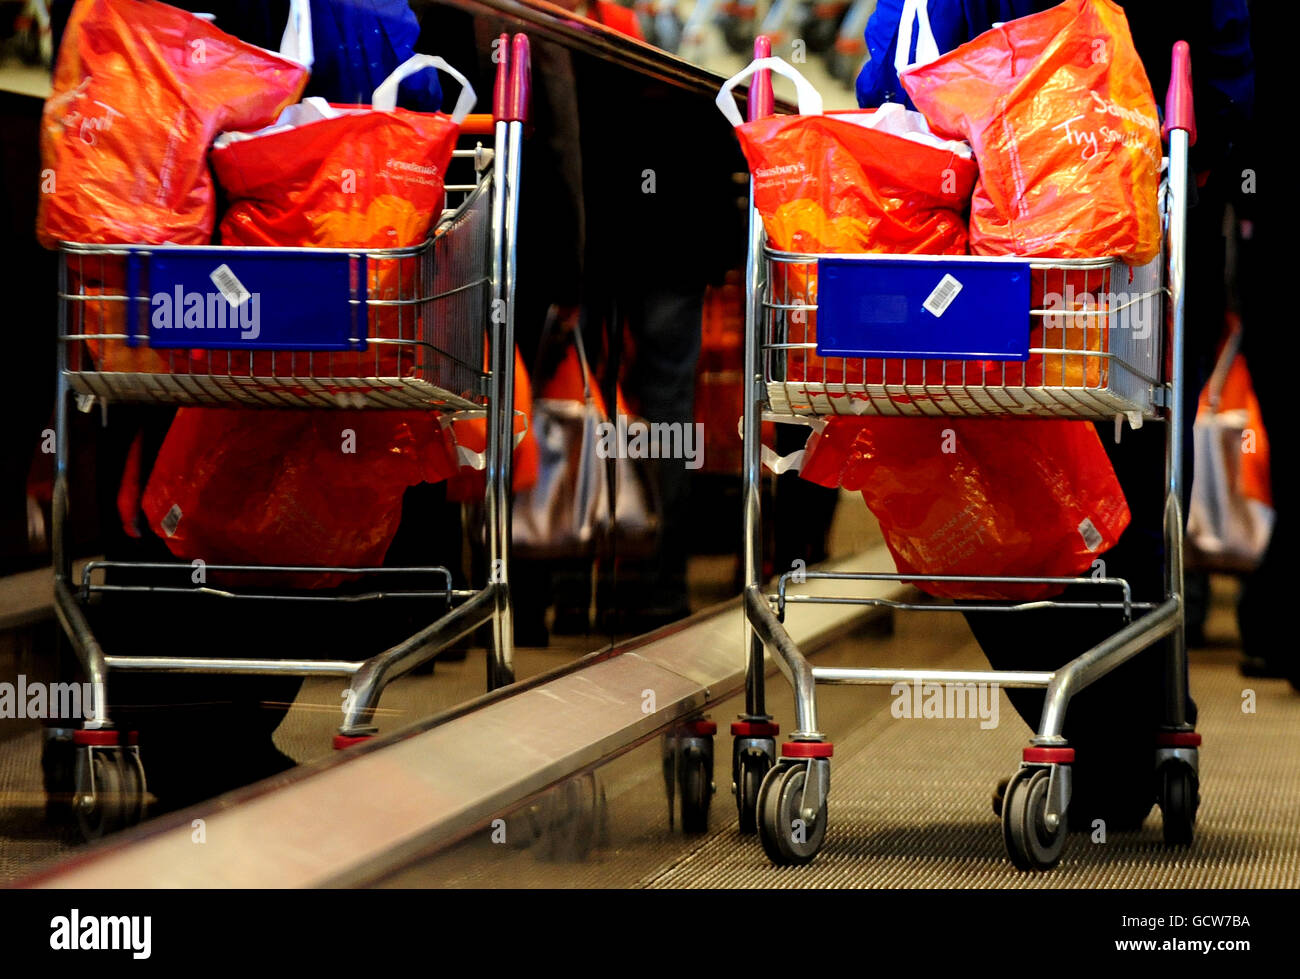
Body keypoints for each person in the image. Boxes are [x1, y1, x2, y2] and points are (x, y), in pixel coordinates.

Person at [854, 0, 1255, 830]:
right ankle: (1137, 742)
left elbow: (896, 70)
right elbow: (1227, 68)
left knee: (995, 463)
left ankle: (1094, 750)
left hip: (991, 235)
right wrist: (1188, 157)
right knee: (1137, 468)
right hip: (1142, 212)